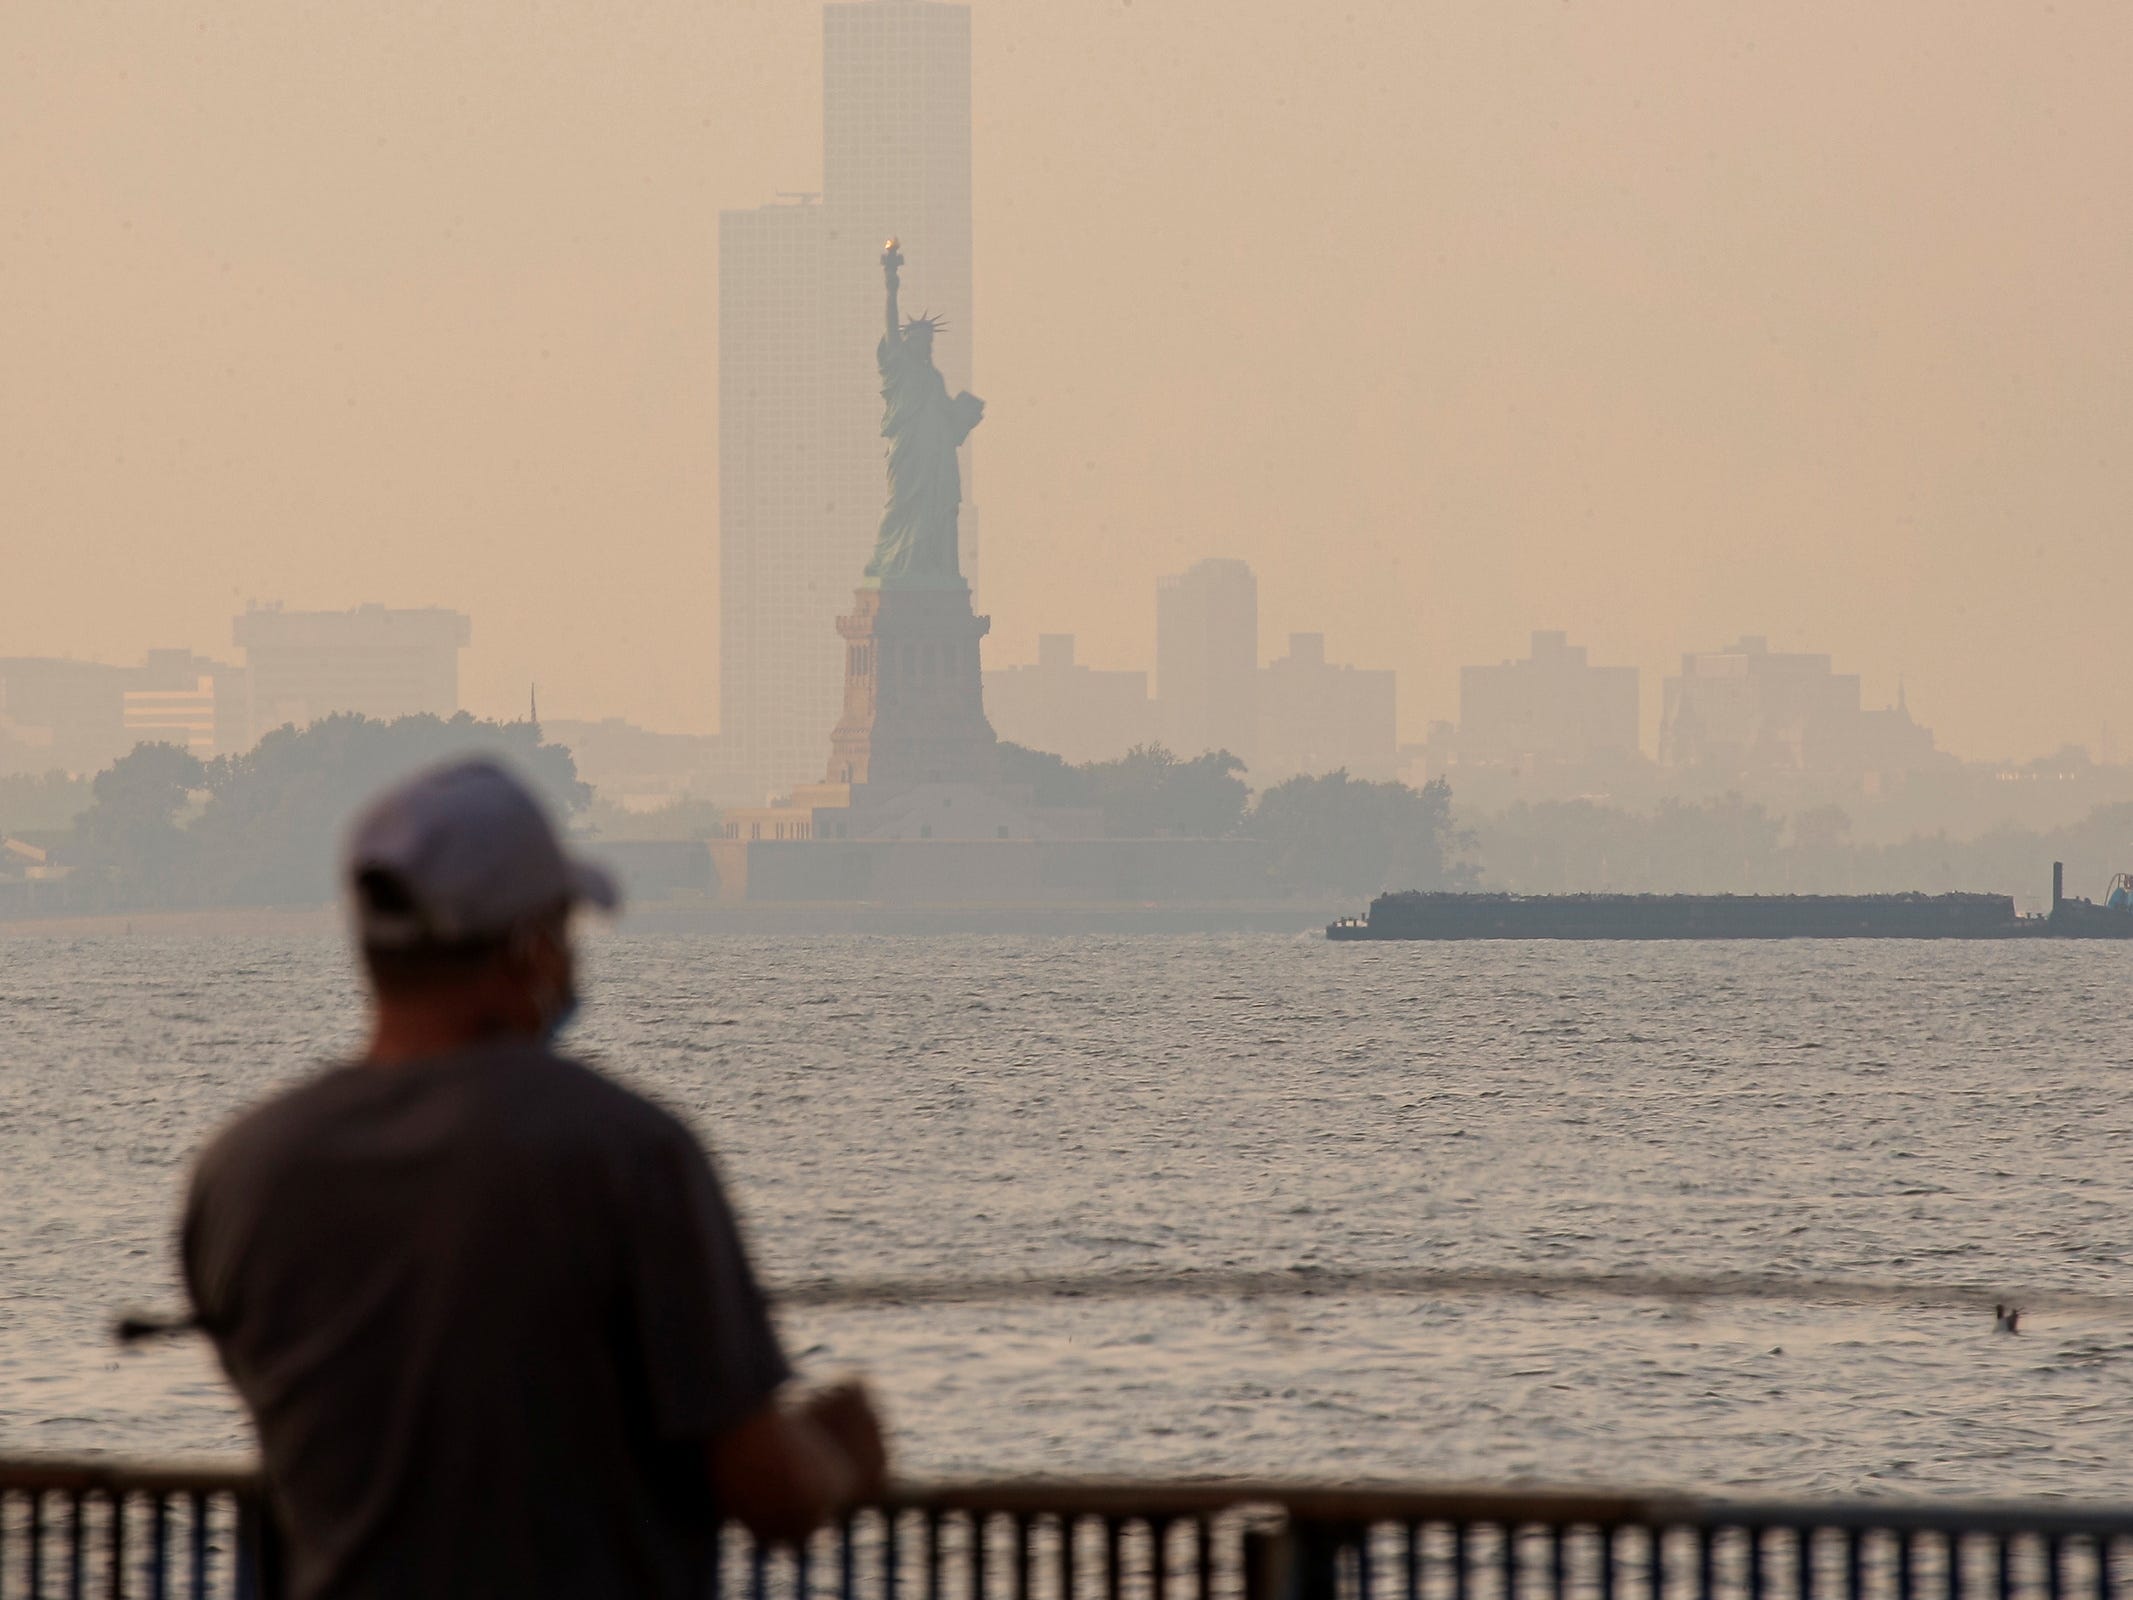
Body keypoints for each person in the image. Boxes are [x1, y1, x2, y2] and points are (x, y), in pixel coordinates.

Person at [181, 758, 886, 1599]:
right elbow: (771, 1494)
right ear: (528, 948)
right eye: (563, 929)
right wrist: (840, 1452)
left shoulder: (245, 1170)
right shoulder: (627, 1152)